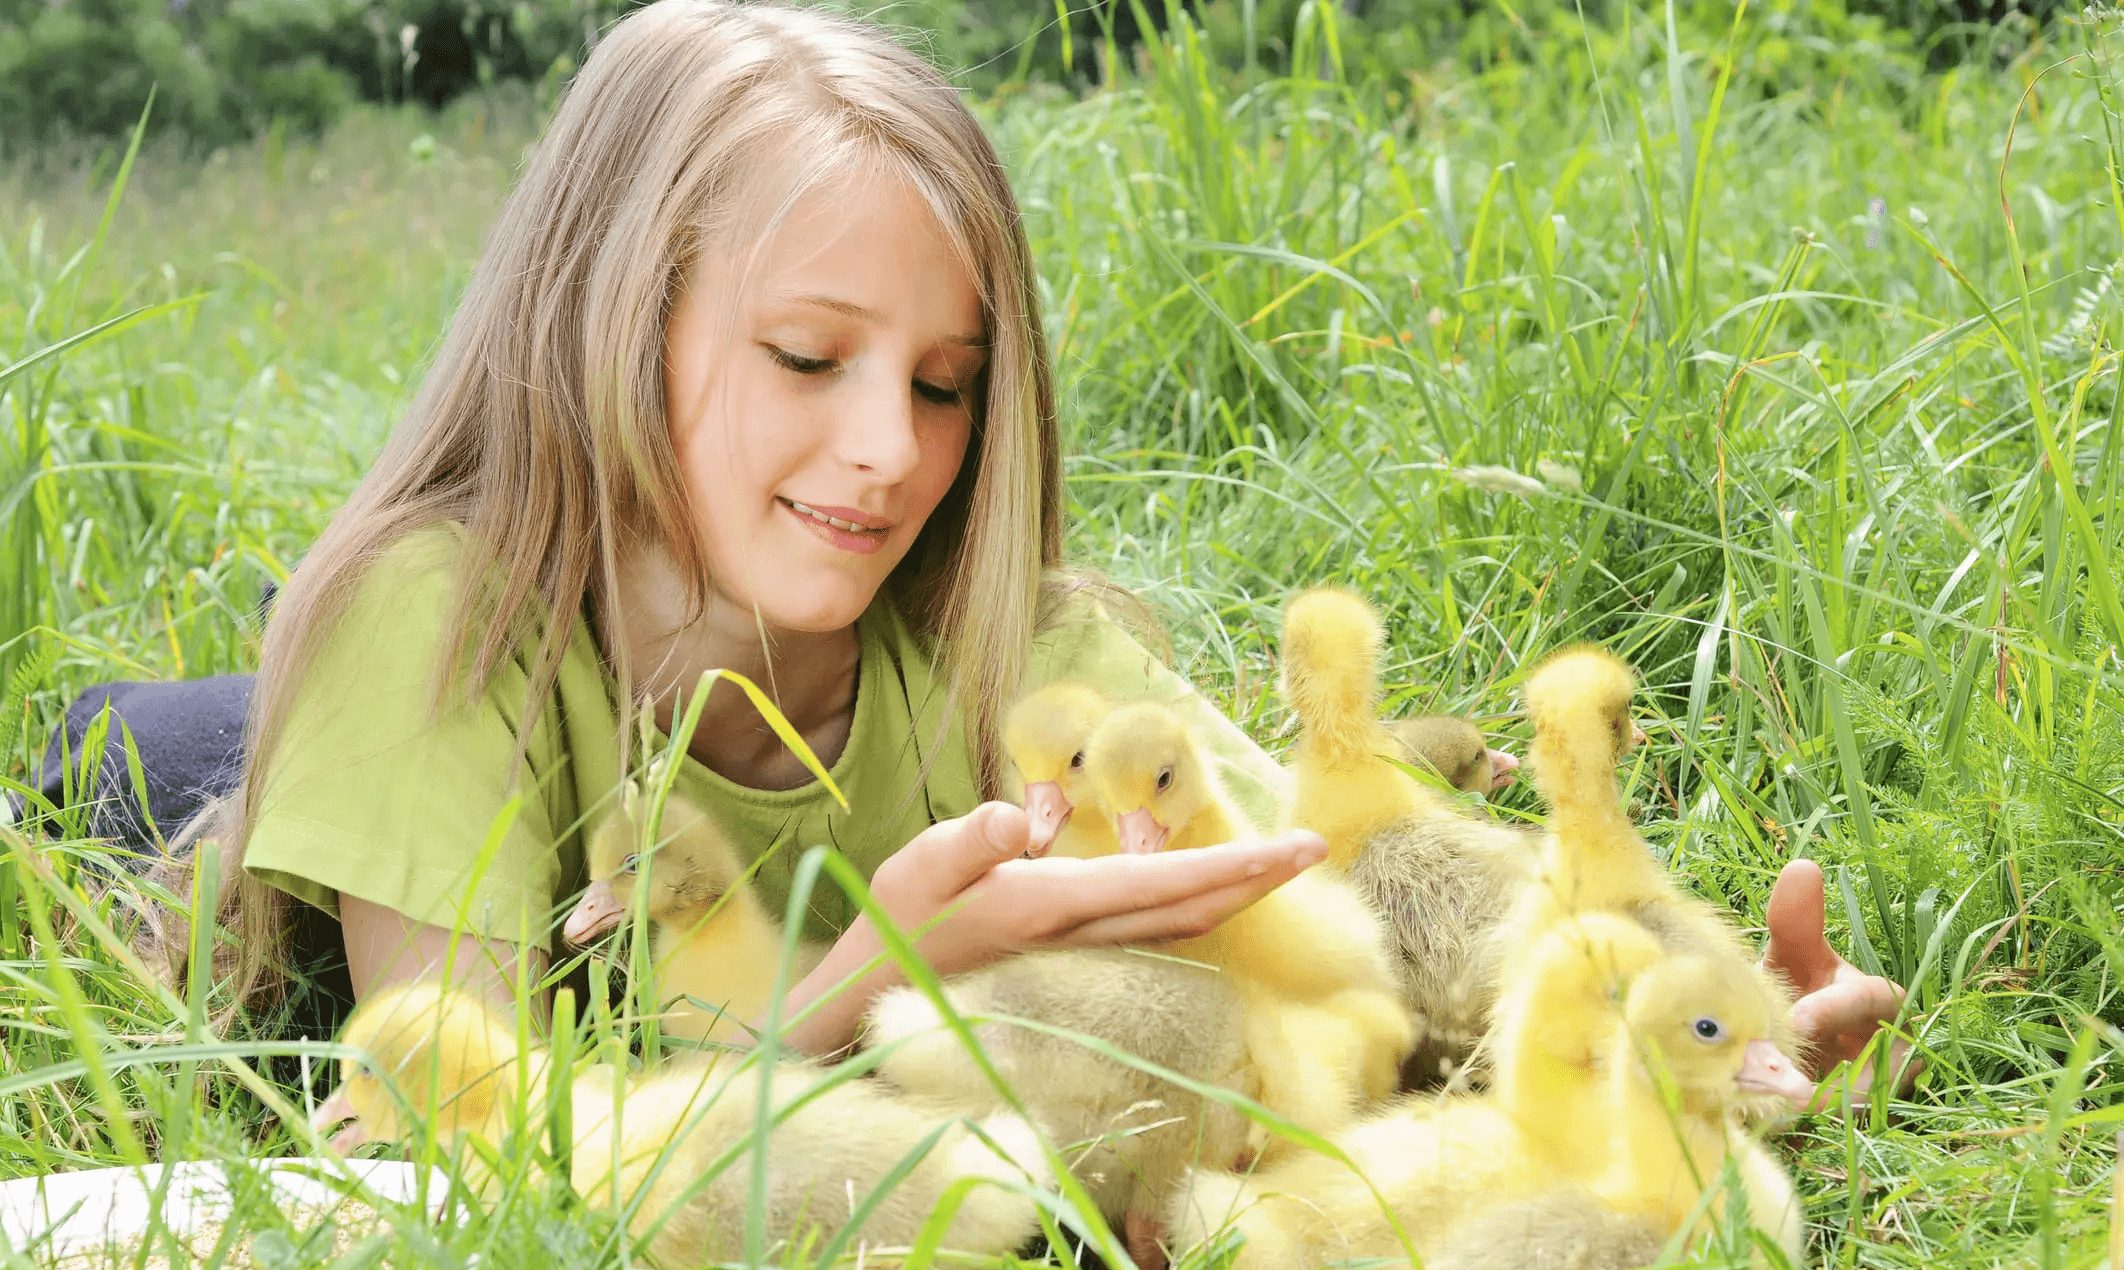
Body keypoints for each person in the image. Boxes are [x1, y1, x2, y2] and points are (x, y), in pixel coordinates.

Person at [100, 0, 1904, 1106]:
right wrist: (890, 969)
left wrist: (1689, 1017)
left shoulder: (991, 631)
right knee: (169, 751)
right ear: (609, 318)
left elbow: (1337, 889)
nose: (890, 451)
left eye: (947, 384)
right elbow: (468, 1153)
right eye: (808, 359)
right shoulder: (435, 626)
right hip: (195, 775)